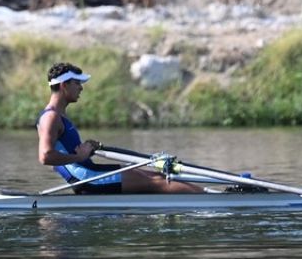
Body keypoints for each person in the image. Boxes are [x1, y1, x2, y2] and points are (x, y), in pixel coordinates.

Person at [37, 62, 203, 194]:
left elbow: (60, 154)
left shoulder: (58, 116)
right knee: (157, 182)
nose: (81, 87)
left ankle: (209, 195)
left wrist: (86, 149)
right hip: (87, 179)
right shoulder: (51, 117)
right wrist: (79, 157)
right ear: (64, 85)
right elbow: (46, 156)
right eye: (77, 83)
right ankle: (214, 201)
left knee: (157, 176)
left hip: (89, 173)